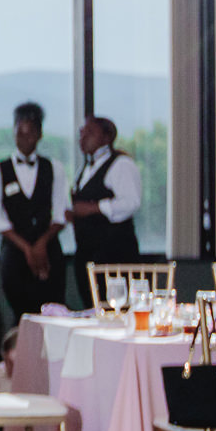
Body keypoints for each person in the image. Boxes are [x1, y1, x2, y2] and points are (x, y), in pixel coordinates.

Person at [0, 102, 68, 321]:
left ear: (40, 134)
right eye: (20, 133)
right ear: (13, 132)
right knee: (21, 314)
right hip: (14, 252)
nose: (25, 138)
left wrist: (41, 244)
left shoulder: (54, 168)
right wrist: (27, 249)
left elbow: (61, 214)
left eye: (30, 133)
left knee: (52, 312)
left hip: (49, 251)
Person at [68, 114, 142, 306]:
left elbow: (131, 202)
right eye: (81, 133)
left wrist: (95, 207)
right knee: (92, 306)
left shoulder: (121, 164)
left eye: (90, 132)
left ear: (107, 137)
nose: (83, 137)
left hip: (114, 254)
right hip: (87, 254)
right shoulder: (85, 168)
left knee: (115, 309)